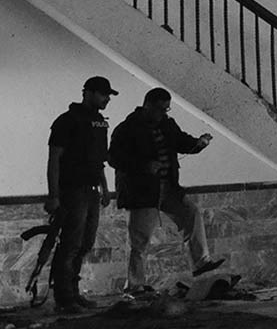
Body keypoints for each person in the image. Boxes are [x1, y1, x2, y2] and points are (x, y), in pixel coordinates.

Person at [108, 87, 226, 295]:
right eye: (160, 109)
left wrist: (199, 143)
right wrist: (143, 166)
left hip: (168, 187)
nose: (163, 113)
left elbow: (182, 141)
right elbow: (114, 159)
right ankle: (134, 286)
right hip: (142, 192)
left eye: (166, 109)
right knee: (140, 240)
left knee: (190, 213)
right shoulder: (127, 129)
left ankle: (200, 263)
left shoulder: (167, 125)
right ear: (147, 106)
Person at [45, 76, 117, 314]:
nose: (107, 99)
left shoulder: (98, 122)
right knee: (71, 244)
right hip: (73, 190)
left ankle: (73, 293)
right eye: (103, 94)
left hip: (91, 190)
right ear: (89, 93)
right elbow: (54, 158)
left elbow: (99, 160)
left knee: (84, 243)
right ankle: (64, 298)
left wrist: (105, 188)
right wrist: (54, 195)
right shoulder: (67, 121)